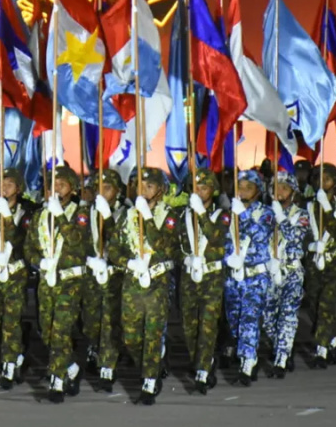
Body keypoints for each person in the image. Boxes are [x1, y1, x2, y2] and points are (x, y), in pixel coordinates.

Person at [105, 167, 178, 405]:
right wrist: (128, 262)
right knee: (132, 336)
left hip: (157, 282)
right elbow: (114, 248)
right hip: (133, 281)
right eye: (140, 186)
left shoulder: (169, 216)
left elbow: (165, 246)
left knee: (153, 334)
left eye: (149, 186)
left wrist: (147, 217)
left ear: (161, 190)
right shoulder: (128, 215)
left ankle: (149, 381)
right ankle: (152, 363)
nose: (143, 190)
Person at [26, 165, 93, 403]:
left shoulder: (81, 213)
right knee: (47, 331)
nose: (56, 189)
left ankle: (57, 380)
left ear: (72, 188)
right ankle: (71, 367)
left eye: (61, 185)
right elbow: (29, 248)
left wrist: (62, 216)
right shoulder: (40, 216)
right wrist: (40, 262)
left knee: (61, 330)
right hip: (47, 280)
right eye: (53, 185)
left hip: (70, 281)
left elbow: (77, 241)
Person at [0, 168, 35, 390]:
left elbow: (24, 241)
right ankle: (18, 354)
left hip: (17, 273)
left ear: (19, 188)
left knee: (10, 322)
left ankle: (8, 367)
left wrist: (7, 218)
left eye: (9, 184)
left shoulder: (27, 213)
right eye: (1, 184)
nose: (4, 188)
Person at [181, 168, 231, 394]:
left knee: (208, 325)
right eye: (196, 188)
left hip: (212, 277)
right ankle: (200, 361)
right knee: (190, 325)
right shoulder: (183, 215)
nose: (199, 192)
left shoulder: (222, 215)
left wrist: (201, 212)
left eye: (204, 188)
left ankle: (203, 369)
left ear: (213, 190)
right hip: (190, 277)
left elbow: (215, 236)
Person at [224, 169, 273, 386]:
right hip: (234, 277)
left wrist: (242, 215)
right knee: (234, 321)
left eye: (248, 187)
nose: (242, 192)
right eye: (240, 187)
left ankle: (248, 363)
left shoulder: (266, 212)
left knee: (249, 321)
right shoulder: (228, 214)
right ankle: (244, 352)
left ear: (257, 191)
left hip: (255, 276)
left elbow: (261, 234)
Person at [87, 169, 130, 393]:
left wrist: (108, 219)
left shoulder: (126, 213)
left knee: (110, 322)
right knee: (91, 321)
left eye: (107, 188)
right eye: (99, 188)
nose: (102, 192)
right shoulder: (88, 212)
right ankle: (96, 351)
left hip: (115, 275)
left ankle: (107, 366)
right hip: (93, 275)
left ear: (117, 191)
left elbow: (119, 242)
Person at [264, 172, 310, 377]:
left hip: (291, 272)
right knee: (267, 319)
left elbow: (294, 238)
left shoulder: (301, 215)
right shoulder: (266, 214)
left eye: (284, 188)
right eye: (276, 187)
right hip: (270, 272)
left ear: (293, 192)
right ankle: (283, 349)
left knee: (287, 317)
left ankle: (281, 359)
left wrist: (281, 218)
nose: (280, 192)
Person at [305, 163, 336, 368]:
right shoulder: (308, 206)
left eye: (327, 179)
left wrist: (327, 208)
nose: (322, 183)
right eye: (319, 179)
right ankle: (331, 341)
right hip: (314, 261)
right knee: (313, 307)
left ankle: (321, 351)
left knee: (325, 305)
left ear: (335, 182)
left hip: (333, 262)